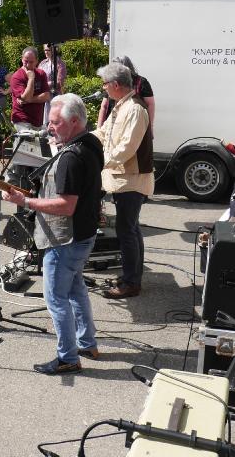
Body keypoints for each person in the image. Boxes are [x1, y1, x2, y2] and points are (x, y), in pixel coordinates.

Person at [1, 93, 103, 374]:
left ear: (74, 122)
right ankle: (87, 342)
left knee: (56, 298)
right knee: (75, 289)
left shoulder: (71, 157)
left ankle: (68, 357)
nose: (49, 127)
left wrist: (26, 202)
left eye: (55, 123)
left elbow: (66, 205)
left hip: (65, 240)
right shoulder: (91, 143)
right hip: (84, 234)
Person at [92, 62, 154, 299]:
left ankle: (131, 283)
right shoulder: (122, 105)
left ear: (116, 84)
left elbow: (128, 147)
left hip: (131, 180)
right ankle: (132, 276)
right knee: (131, 229)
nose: (104, 88)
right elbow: (104, 132)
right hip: (124, 179)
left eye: (105, 84)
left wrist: (101, 160)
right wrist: (82, 140)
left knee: (126, 230)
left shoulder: (135, 109)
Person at [97, 55, 155, 129]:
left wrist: (150, 127)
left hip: (133, 123)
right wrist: (99, 127)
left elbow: (150, 104)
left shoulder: (141, 82)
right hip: (113, 123)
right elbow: (104, 106)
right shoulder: (110, 83)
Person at [10, 46, 50, 131]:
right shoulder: (16, 77)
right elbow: (26, 97)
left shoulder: (41, 74)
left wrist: (29, 100)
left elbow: (46, 96)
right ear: (22, 59)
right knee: (28, 143)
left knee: (38, 143)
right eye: (25, 61)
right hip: (22, 119)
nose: (28, 65)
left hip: (38, 121)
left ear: (36, 61)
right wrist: (31, 79)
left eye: (31, 62)